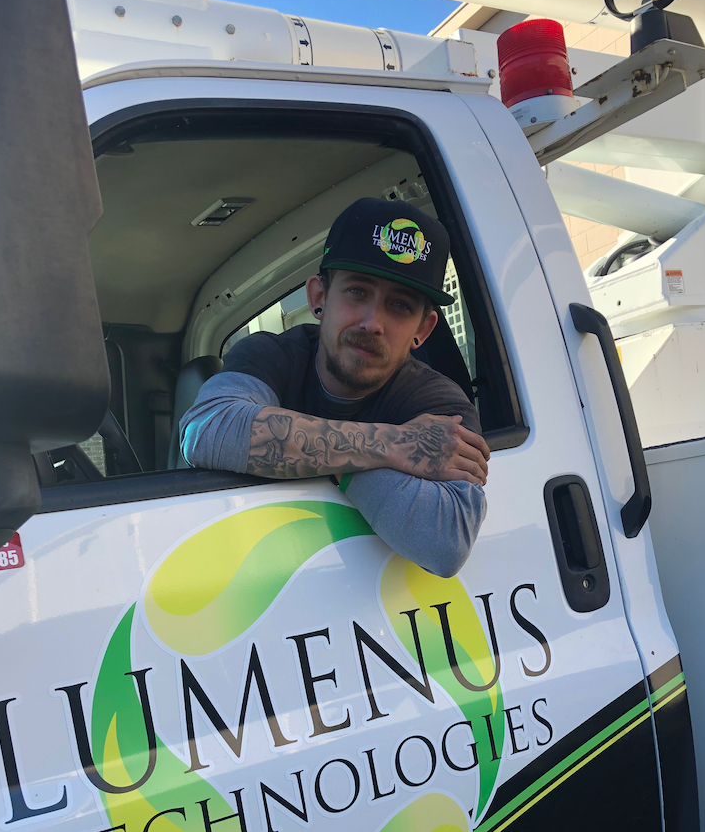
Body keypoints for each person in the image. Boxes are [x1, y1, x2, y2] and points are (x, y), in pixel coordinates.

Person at [180, 198, 490, 577]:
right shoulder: (271, 354)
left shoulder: (435, 401)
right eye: (358, 292)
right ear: (319, 298)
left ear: (422, 331)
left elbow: (446, 542)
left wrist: (311, 452)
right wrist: (394, 446)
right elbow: (205, 431)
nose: (373, 322)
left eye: (400, 306)